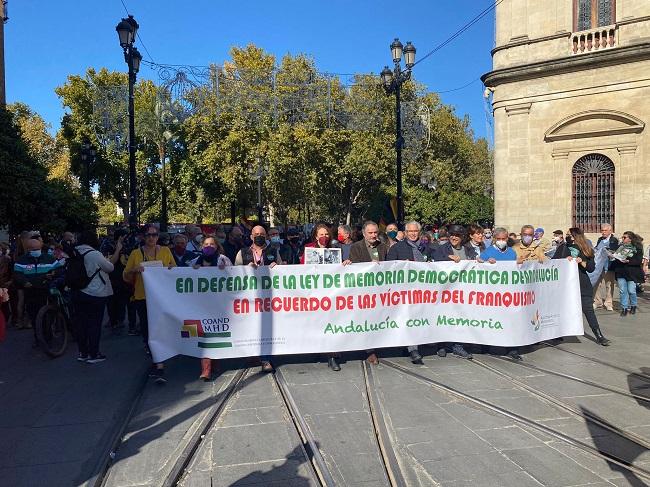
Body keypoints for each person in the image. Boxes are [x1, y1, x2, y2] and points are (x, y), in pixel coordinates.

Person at [123, 224, 176, 383]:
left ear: (158, 236)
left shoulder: (165, 251)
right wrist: (134, 270)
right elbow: (125, 276)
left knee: (160, 328)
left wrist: (167, 269)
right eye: (148, 235)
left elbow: (174, 268)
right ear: (142, 237)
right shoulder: (135, 253)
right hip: (142, 296)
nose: (151, 238)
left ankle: (159, 361)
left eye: (154, 235)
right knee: (147, 329)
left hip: (161, 298)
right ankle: (156, 359)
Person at [234, 225, 282, 372]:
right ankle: (252, 354)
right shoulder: (242, 252)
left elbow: (282, 269)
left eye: (262, 234)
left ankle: (266, 358)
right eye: (256, 234)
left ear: (266, 236)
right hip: (249, 297)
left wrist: (277, 266)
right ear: (251, 236)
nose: (259, 236)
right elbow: (234, 273)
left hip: (268, 297)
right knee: (251, 324)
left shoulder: (273, 250)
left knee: (266, 326)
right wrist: (245, 269)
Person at [386, 221, 435, 364]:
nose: (413, 234)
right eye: (410, 231)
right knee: (409, 317)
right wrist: (402, 266)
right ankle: (413, 349)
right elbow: (389, 267)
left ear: (419, 232)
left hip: (424, 290)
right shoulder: (397, 248)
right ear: (405, 233)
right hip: (405, 291)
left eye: (415, 231)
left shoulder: (427, 247)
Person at [553, 228, 610, 345]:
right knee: (562, 309)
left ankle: (599, 335)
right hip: (566, 285)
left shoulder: (586, 249)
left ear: (575, 236)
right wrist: (564, 260)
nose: (566, 236)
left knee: (588, 310)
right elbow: (554, 262)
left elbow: (591, 268)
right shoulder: (563, 247)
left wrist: (581, 262)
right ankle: (557, 334)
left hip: (582, 284)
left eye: (569, 235)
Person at [431, 225, 475, 359]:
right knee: (444, 317)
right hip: (446, 290)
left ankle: (458, 345)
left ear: (462, 237)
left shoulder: (469, 250)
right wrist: (448, 261)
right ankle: (441, 345)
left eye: (457, 235)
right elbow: (435, 265)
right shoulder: (441, 249)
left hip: (463, 291)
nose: (454, 237)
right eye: (452, 235)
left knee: (461, 317)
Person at [193, 235, 232, 381]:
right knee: (205, 333)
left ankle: (215, 362)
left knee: (215, 332)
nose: (209, 247)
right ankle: (206, 368)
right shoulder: (195, 261)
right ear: (202, 246)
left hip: (219, 303)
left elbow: (233, 276)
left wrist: (225, 270)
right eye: (206, 244)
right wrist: (193, 270)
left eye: (212, 244)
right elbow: (182, 275)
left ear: (217, 247)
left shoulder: (223, 259)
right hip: (201, 303)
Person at [479, 228, 522, 360]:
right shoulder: (489, 251)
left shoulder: (511, 252)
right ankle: (487, 345)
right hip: (492, 293)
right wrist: (486, 262)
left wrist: (519, 264)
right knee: (492, 319)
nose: (502, 241)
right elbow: (478, 263)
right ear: (495, 239)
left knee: (511, 321)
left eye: (504, 239)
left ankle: (512, 348)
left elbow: (516, 268)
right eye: (499, 239)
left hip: (508, 293)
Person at [72, 230, 114, 363]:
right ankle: (94, 354)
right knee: (94, 324)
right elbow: (109, 268)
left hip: (78, 291)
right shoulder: (94, 254)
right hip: (95, 292)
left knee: (81, 323)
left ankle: (82, 353)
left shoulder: (73, 252)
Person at [13, 233, 63, 344]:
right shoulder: (22, 260)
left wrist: (53, 274)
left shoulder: (49, 258)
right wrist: (24, 282)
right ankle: (38, 338)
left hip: (47, 290)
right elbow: (17, 274)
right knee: (34, 315)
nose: (35, 251)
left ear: (40, 247)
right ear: (28, 249)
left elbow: (59, 270)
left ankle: (49, 335)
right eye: (32, 249)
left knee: (48, 315)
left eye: (36, 248)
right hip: (31, 291)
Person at [102, 228, 129, 331]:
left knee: (122, 300)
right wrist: (118, 249)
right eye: (124, 236)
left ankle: (120, 320)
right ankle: (112, 319)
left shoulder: (126, 245)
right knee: (111, 300)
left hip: (122, 276)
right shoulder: (108, 245)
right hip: (111, 276)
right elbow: (110, 262)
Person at [612, 231, 644, 317]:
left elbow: (638, 261)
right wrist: (613, 256)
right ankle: (624, 308)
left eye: (624, 237)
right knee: (623, 290)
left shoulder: (637, 248)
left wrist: (628, 261)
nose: (622, 239)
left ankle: (633, 305)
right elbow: (616, 257)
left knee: (631, 291)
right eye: (622, 237)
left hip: (632, 272)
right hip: (621, 271)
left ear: (630, 239)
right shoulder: (620, 247)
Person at [593, 223, 618, 311]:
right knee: (596, 284)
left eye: (605, 230)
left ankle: (608, 303)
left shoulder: (614, 240)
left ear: (610, 231)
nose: (603, 232)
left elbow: (615, 251)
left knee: (609, 285)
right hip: (599, 265)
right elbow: (596, 249)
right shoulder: (600, 239)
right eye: (602, 230)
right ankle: (597, 301)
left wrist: (607, 251)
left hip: (608, 266)